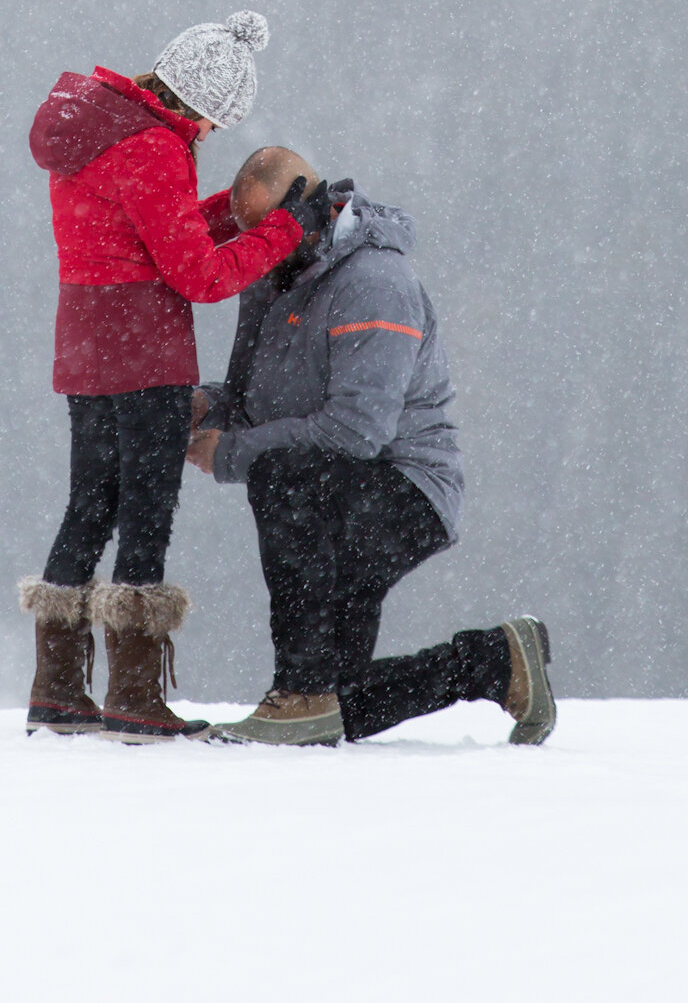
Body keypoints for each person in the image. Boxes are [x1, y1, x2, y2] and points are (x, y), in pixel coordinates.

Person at [17, 13, 328, 741]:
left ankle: (57, 690)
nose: (212, 136)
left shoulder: (101, 129)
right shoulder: (154, 148)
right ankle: (134, 696)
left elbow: (158, 229)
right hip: (145, 349)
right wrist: (286, 230)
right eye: (215, 122)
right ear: (194, 105)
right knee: (146, 512)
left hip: (87, 344)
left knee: (90, 504)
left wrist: (235, 211)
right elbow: (199, 276)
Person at [187, 147, 555, 747]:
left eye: (272, 231)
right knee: (345, 702)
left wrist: (227, 454)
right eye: (252, 236)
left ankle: (299, 693)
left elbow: (356, 431)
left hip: (403, 489)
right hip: (335, 486)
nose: (261, 248)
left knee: (277, 472)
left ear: (307, 205)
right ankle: (499, 661)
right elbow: (259, 398)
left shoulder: (375, 283)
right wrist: (206, 406)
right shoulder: (272, 276)